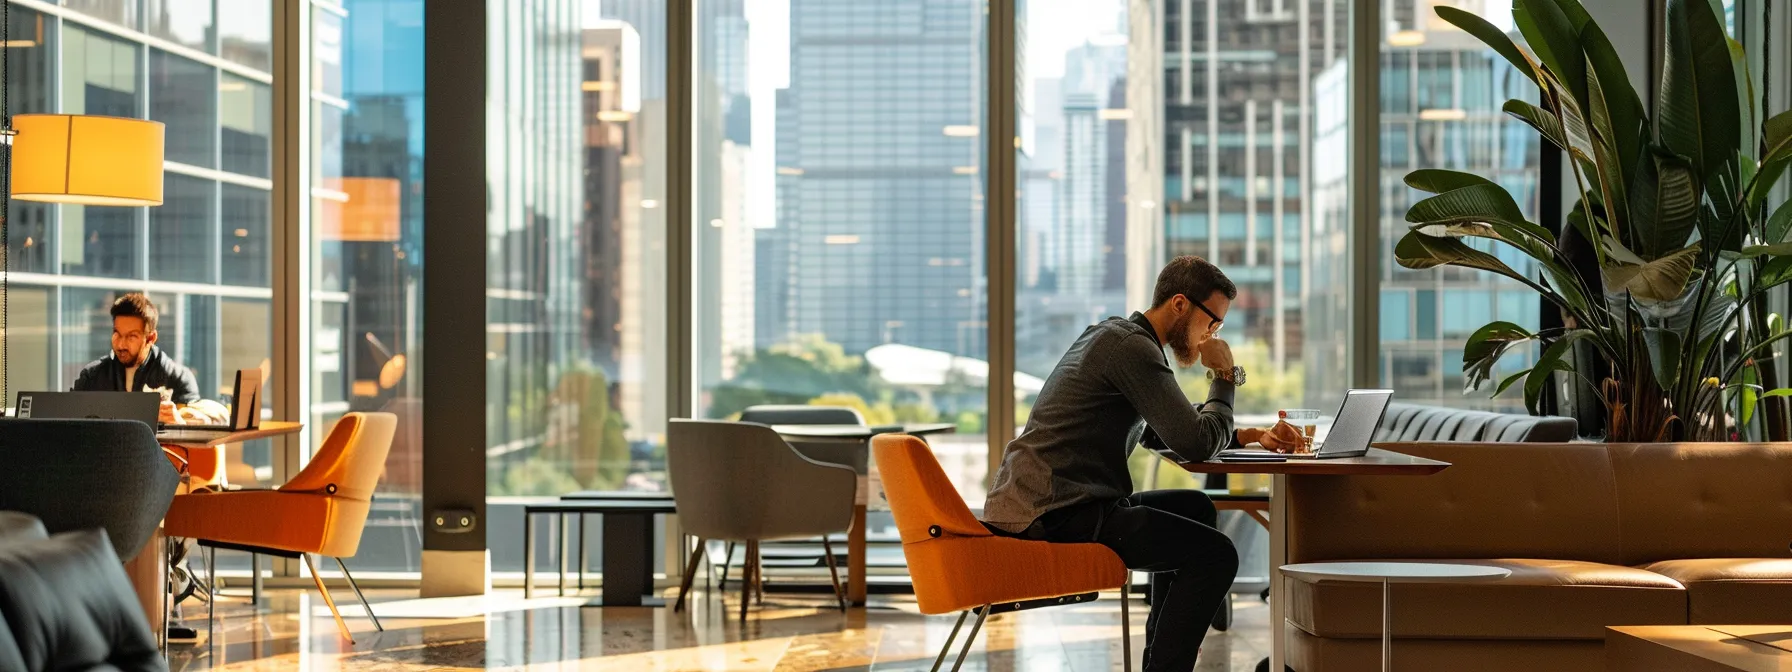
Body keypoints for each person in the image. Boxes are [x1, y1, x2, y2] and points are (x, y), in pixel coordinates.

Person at [982, 255, 1301, 672]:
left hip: (1053, 501)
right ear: (1181, 304)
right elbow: (1195, 442)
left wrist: (1249, 436)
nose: (1211, 334)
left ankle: (1161, 658)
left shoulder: (1117, 336)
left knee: (1197, 508)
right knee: (1216, 555)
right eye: (1212, 322)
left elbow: (1160, 429)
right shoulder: (1131, 348)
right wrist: (1225, 374)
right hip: (1054, 510)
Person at [72, 292, 203, 424]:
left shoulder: (178, 379)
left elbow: (194, 436)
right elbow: (68, 424)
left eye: (131, 336)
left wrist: (178, 422)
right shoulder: (92, 377)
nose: (120, 344)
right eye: (117, 333)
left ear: (151, 338)